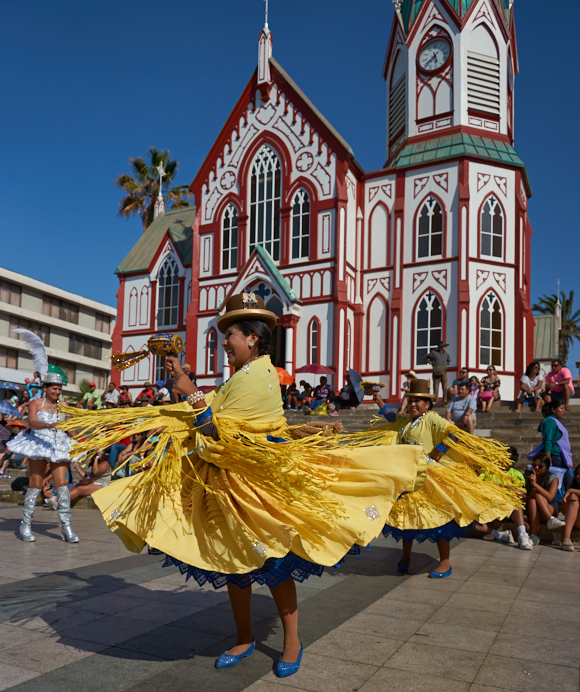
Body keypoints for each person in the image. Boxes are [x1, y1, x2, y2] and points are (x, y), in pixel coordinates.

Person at [61, 291, 422, 678]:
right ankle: (245, 636)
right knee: (235, 563)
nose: (224, 342)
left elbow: (219, 432)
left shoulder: (261, 375)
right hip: (229, 488)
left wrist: (192, 394)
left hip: (257, 490)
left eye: (229, 334)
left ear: (252, 337)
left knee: (275, 564)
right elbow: (206, 412)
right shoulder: (239, 376)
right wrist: (184, 383)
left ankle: (292, 642)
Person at [373, 379, 520, 578]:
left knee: (440, 521)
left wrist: (438, 452)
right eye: (411, 400)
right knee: (406, 518)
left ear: (428, 404)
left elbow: (454, 434)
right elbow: (392, 418)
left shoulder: (433, 419)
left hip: (431, 481)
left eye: (419, 400)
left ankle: (445, 562)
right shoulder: (406, 422)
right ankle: (406, 557)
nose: (414, 404)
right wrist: (380, 400)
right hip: (409, 479)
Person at [6, 341, 79, 543]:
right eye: (54, 388)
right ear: (45, 387)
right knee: (35, 483)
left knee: (63, 484)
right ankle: (25, 526)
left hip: (58, 446)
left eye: (59, 388)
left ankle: (66, 527)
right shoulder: (36, 403)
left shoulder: (64, 405)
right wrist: (48, 426)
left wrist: (82, 440)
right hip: (38, 444)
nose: (57, 392)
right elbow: (32, 422)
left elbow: (70, 428)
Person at [473, 447, 534, 550]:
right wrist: (508, 489)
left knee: (517, 504)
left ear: (511, 463)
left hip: (507, 508)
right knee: (466, 514)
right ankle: (499, 535)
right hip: (488, 505)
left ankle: (523, 535)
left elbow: (521, 494)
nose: (501, 460)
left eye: (506, 459)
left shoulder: (516, 474)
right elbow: (478, 486)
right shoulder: (488, 470)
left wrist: (498, 487)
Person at [528, 399, 574, 488]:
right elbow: (547, 440)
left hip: (560, 457)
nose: (564, 411)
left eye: (564, 409)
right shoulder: (549, 421)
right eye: (561, 408)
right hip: (555, 457)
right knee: (565, 483)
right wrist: (548, 458)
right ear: (553, 409)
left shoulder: (555, 421)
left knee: (568, 483)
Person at [525, 452, 565, 544]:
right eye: (534, 465)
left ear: (546, 468)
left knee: (537, 493)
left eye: (540, 466)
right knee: (532, 500)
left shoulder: (553, 478)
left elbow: (550, 497)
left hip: (549, 509)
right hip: (533, 510)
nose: (536, 468)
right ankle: (534, 535)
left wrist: (535, 485)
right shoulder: (528, 477)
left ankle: (549, 519)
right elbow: (526, 498)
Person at [560, 465, 580, 551]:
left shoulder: (572, 490)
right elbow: (564, 512)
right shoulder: (573, 486)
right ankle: (566, 538)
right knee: (573, 497)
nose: (578, 476)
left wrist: (572, 490)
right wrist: (567, 500)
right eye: (576, 473)